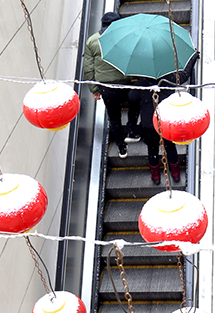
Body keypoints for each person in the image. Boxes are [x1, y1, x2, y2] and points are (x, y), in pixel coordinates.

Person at [130, 51, 200, 185]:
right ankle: (175, 173)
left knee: (152, 149)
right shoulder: (168, 80)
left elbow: (131, 97)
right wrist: (193, 57)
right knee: (170, 147)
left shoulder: (140, 84)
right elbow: (184, 75)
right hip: (166, 122)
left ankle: (155, 175)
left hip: (148, 125)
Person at [83, 12, 140, 159]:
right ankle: (132, 129)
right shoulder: (125, 38)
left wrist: (94, 89)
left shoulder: (92, 41)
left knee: (114, 117)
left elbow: (88, 68)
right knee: (136, 102)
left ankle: (121, 148)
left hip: (106, 87)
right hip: (126, 83)